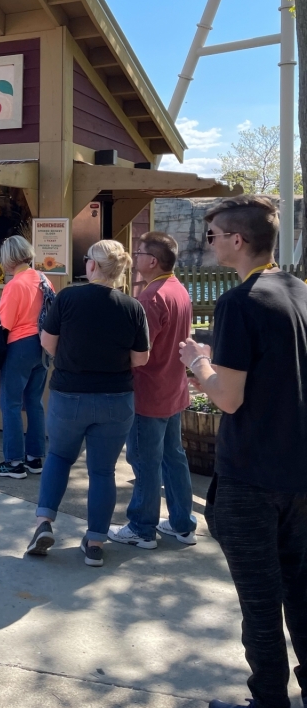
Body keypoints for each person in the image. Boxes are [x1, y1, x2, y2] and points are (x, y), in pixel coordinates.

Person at [179, 195, 307, 708]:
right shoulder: (300, 294)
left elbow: (228, 398)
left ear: (236, 240)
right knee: (302, 596)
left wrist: (197, 364)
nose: (207, 244)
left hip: (250, 476)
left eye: (212, 236)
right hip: (299, 473)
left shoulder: (239, 302)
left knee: (259, 604)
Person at [26, 239, 150, 567]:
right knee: (102, 471)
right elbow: (141, 358)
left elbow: (48, 342)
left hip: (70, 394)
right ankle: (95, 542)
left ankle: (44, 523)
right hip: (116, 399)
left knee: (59, 457)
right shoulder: (132, 307)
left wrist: (71, 357)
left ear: (92, 265)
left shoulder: (68, 297)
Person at [108, 231, 196, 548]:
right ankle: (182, 524)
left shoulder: (151, 298)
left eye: (140, 251)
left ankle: (142, 528)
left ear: (153, 260)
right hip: (174, 388)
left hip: (149, 393)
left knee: (145, 462)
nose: (136, 256)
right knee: (173, 458)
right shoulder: (178, 289)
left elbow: (138, 352)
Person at [0, 235, 49, 479]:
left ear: (9, 257)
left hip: (20, 346)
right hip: (42, 345)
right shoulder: (43, 279)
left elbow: (7, 322)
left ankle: (13, 462)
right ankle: (35, 457)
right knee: (35, 402)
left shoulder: (14, 284)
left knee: (11, 404)